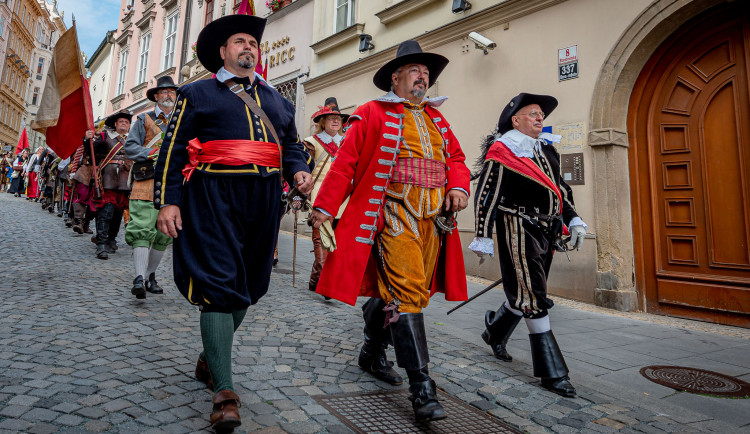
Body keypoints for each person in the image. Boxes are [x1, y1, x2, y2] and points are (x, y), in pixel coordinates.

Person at [154, 14, 313, 431]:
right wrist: (168, 202)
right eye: (240, 41)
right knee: (219, 287)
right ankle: (224, 391)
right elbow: (171, 151)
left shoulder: (277, 99)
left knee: (247, 287)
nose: (249, 48)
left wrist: (298, 169)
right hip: (212, 198)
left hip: (263, 203)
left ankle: (210, 357)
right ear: (223, 51)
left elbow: (292, 145)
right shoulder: (197, 93)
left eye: (254, 44)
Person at [309, 40, 471, 422]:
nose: (423, 77)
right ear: (396, 78)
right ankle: (423, 389)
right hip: (392, 214)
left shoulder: (437, 118)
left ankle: (370, 349)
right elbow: (345, 163)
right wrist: (324, 207)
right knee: (410, 292)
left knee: (398, 291)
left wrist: (459, 186)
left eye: (426, 73)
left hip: (433, 220)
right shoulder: (371, 112)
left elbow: (457, 159)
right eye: (415, 71)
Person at [469, 93, 588, 398]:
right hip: (517, 226)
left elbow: (560, 190)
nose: (539, 119)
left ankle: (494, 330)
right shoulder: (503, 150)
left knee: (526, 289)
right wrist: (482, 236)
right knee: (533, 293)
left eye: (541, 115)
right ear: (516, 120)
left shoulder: (547, 149)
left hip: (546, 229)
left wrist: (573, 219)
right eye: (533, 114)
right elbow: (487, 196)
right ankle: (553, 372)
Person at [123, 76, 178, 299]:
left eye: (172, 92)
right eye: (163, 92)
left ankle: (149, 275)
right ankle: (138, 277)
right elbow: (130, 146)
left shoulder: (180, 121)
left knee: (164, 233)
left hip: (171, 184)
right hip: (146, 182)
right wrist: (151, 153)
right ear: (156, 96)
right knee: (142, 229)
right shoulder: (144, 119)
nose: (168, 95)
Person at [302, 97, 349, 293]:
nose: (335, 121)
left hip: (344, 200)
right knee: (321, 242)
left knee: (337, 245)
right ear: (323, 122)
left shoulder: (348, 142)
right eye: (330, 118)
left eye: (338, 118)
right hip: (320, 198)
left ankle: (317, 282)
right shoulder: (311, 143)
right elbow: (303, 170)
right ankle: (322, 282)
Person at [84, 110, 133, 259]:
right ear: (115, 124)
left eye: (127, 121)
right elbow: (90, 151)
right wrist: (87, 140)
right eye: (121, 121)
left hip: (125, 181)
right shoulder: (105, 137)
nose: (124, 123)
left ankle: (112, 240)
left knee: (118, 214)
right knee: (105, 213)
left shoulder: (132, 140)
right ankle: (101, 244)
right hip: (108, 179)